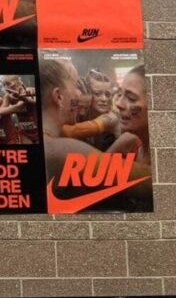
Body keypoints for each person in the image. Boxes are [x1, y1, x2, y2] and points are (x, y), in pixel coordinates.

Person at [39, 59, 150, 209]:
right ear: (58, 96)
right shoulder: (63, 151)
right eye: (75, 86)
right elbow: (154, 182)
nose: (80, 93)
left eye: (130, 97)